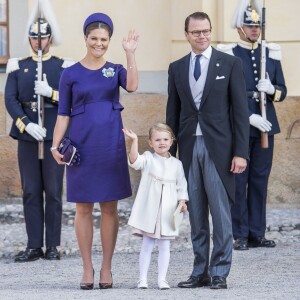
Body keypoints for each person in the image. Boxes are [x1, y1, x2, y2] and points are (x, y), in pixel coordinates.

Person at [51, 13, 138, 290]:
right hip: (81, 146)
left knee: (110, 207)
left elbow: (133, 86)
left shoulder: (114, 69)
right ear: (86, 39)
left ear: (109, 41)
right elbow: (63, 114)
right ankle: (87, 268)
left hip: (110, 145)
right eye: (94, 39)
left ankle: (107, 268)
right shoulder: (70, 73)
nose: (98, 44)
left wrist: (130, 54)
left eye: (104, 39)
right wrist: (55, 145)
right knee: (83, 207)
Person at [166, 12, 249, 289]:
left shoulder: (230, 63)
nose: (202, 36)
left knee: (221, 214)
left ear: (210, 32)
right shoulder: (176, 67)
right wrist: (169, 156)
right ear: (187, 34)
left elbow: (240, 111)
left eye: (206, 31)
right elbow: (173, 113)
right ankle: (199, 270)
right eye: (196, 32)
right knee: (196, 212)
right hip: (189, 147)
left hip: (219, 149)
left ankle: (219, 271)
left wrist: (241, 152)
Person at [5, 5, 73, 262]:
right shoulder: (16, 66)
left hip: (54, 133)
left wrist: (52, 94)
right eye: (34, 38)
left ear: (50, 38)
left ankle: (52, 245)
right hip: (28, 135)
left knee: (54, 191)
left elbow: (71, 98)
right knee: (31, 190)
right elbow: (10, 100)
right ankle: (34, 245)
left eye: (43, 37)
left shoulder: (62, 67)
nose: (39, 42)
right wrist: (24, 123)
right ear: (30, 39)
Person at [217, 0, 287, 251]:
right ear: (240, 27)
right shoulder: (228, 54)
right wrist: (247, 116)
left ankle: (257, 232)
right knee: (240, 179)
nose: (255, 30)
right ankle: (240, 233)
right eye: (250, 25)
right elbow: (223, 94)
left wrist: (272, 89)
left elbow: (282, 90)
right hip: (241, 125)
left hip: (266, 126)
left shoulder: (270, 53)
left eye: (257, 26)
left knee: (260, 179)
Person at [123, 123, 188, 290]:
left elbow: (182, 185)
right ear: (151, 143)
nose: (162, 142)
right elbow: (135, 161)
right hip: (150, 209)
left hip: (167, 210)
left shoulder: (177, 164)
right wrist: (135, 141)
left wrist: (182, 201)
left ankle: (162, 279)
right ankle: (142, 279)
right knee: (147, 244)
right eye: (157, 140)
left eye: (165, 139)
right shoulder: (148, 158)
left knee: (165, 246)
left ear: (172, 141)